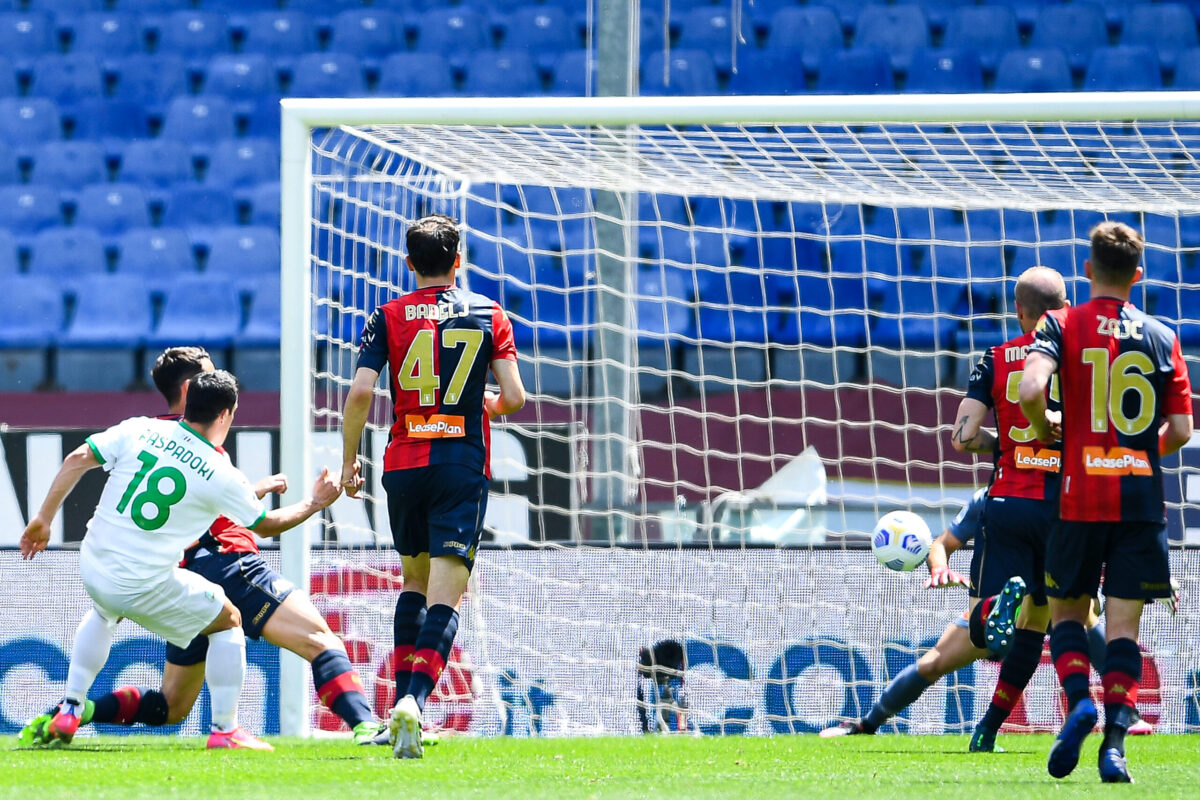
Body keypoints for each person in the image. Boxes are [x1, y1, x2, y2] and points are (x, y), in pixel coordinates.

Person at [21, 348, 384, 747]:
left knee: (171, 704)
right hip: (226, 564)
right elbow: (257, 522)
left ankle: (76, 708)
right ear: (198, 393)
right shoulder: (215, 465)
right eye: (212, 374)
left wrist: (42, 518)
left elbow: (136, 480)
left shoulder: (142, 430)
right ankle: (362, 726)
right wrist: (315, 503)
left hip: (128, 569)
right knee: (316, 639)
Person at [822, 266, 1067, 739]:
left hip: (1006, 502)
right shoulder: (1077, 361)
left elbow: (963, 437)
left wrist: (1007, 446)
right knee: (1066, 619)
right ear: (1065, 308)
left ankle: (869, 723)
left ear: (1018, 311)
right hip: (1060, 506)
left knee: (944, 655)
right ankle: (1090, 715)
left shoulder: (996, 358)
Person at [339, 214, 525, 759]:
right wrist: (486, 404)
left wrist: (350, 461)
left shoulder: (388, 315)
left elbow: (358, 396)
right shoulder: (489, 313)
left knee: (412, 583)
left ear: (409, 263)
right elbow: (513, 397)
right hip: (459, 463)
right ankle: (414, 705)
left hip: (402, 464)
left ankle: (401, 703)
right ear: (459, 261)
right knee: (449, 592)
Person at [1019, 221, 1192, 783]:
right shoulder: (1163, 336)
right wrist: (1137, 453)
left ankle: (1080, 704)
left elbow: (1029, 391)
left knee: (1066, 612)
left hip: (1078, 496)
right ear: (1137, 276)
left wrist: (1048, 433)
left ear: (1088, 270)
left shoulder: (1061, 322)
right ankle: (1114, 747)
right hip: (1140, 502)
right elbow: (1183, 429)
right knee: (1123, 630)